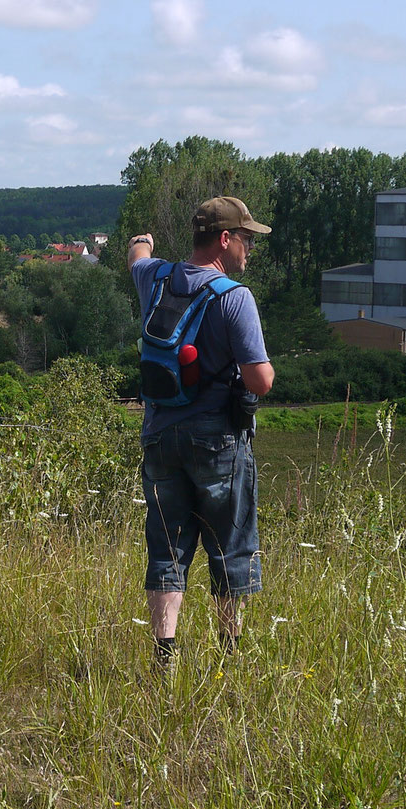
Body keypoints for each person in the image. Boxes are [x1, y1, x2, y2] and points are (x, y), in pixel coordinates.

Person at [128, 197, 276, 665]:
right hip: (218, 441)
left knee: (167, 546)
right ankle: (230, 655)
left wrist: (141, 242)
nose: (249, 249)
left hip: (159, 437)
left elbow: (137, 258)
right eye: (246, 239)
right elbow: (261, 381)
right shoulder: (234, 297)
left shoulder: (156, 279)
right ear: (225, 240)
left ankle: (164, 655)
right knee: (230, 548)